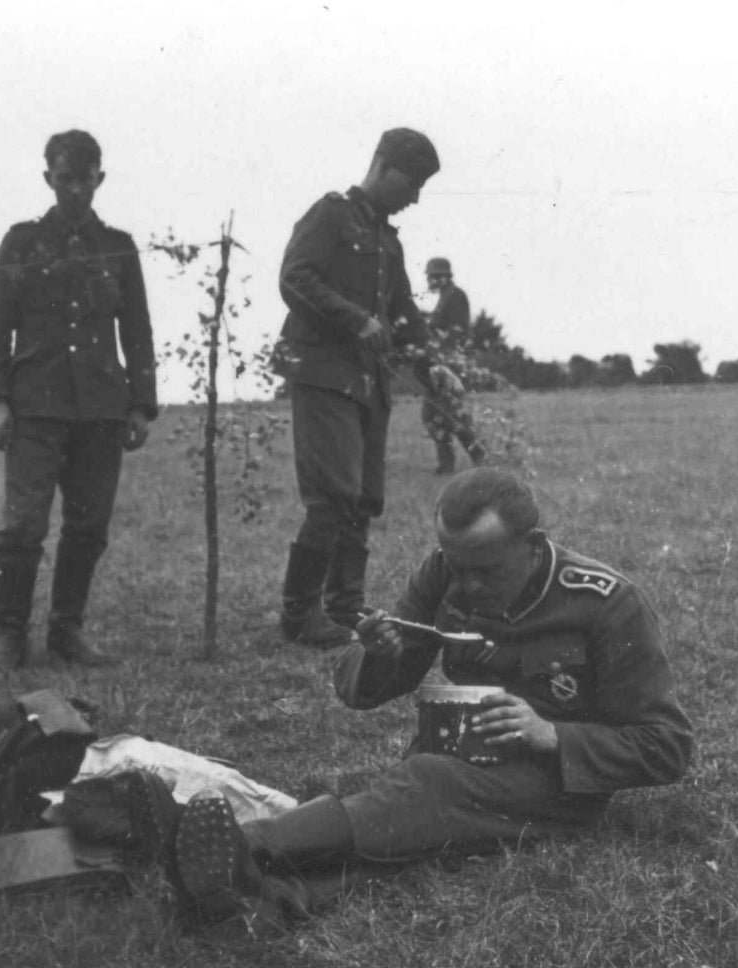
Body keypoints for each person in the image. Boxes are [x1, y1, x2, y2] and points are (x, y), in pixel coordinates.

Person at [159, 467, 693, 921]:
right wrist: (379, 654)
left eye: (487, 571)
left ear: (534, 545)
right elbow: (360, 693)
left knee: (424, 785)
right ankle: (266, 895)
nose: (468, 586)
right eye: (457, 567)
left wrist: (550, 734)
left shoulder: (607, 603)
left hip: (556, 785)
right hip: (459, 761)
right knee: (413, 811)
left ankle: (247, 844)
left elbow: (668, 746)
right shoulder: (446, 571)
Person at [0, 130, 157, 670]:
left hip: (101, 409)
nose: (75, 190)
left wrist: (141, 404)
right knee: (22, 527)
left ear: (100, 178)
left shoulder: (119, 246)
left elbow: (138, 330)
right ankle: (10, 636)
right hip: (34, 406)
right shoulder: (21, 243)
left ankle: (66, 632)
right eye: (64, 179)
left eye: (84, 179)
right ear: (48, 179)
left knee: (88, 526)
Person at [273, 127, 440, 648]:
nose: (415, 198)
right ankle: (300, 614)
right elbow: (295, 277)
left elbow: (404, 312)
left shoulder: (389, 241)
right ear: (383, 166)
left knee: (364, 498)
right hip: (325, 376)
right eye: (412, 183)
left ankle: (344, 606)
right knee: (333, 496)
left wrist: (435, 366)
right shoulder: (329, 215)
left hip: (370, 385)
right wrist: (355, 320)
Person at [416, 257, 484, 474]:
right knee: (437, 415)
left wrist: (440, 360)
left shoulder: (455, 296)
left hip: (449, 365)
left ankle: (480, 458)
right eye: (429, 276)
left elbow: (457, 332)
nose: (430, 280)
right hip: (442, 364)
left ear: (444, 276)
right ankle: (449, 464)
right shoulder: (445, 296)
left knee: (452, 416)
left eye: (433, 276)